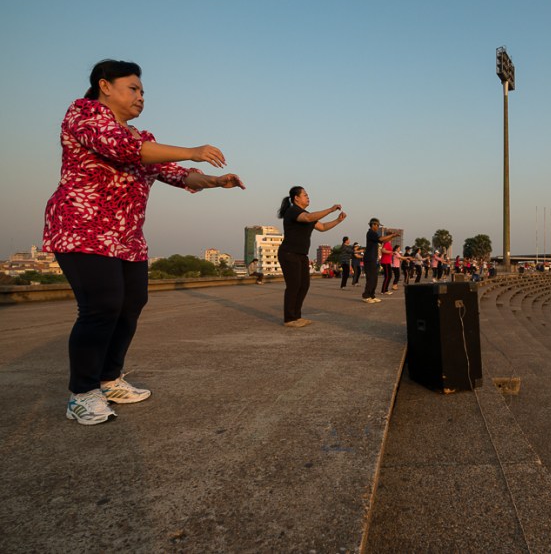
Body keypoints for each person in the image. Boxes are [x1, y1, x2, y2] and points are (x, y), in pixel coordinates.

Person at [43, 59, 245, 426]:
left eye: (143, 92)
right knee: (101, 305)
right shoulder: (84, 116)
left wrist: (215, 181)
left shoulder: (143, 139)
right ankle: (82, 393)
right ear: (105, 86)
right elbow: (122, 149)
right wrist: (192, 149)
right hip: (82, 227)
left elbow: (177, 174)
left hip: (126, 236)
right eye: (133, 89)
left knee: (131, 302)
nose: (140, 97)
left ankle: (108, 379)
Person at [277, 186, 346, 326]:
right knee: (294, 285)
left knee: (304, 285)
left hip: (302, 254)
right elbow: (307, 218)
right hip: (289, 253)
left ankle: (297, 316)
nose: (308, 197)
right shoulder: (293, 211)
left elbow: (323, 227)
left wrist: (338, 220)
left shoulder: (306, 214)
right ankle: (289, 319)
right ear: (296, 198)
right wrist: (330, 209)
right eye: (305, 195)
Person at [362, 219, 397, 303]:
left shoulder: (374, 234)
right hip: (369, 259)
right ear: (373, 225)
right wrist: (392, 235)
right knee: (371, 278)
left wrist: (392, 236)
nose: (378, 227)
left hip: (373, 259)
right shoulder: (371, 233)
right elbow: (381, 239)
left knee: (374, 278)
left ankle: (372, 295)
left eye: (378, 225)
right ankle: (366, 296)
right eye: (377, 225)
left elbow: (383, 240)